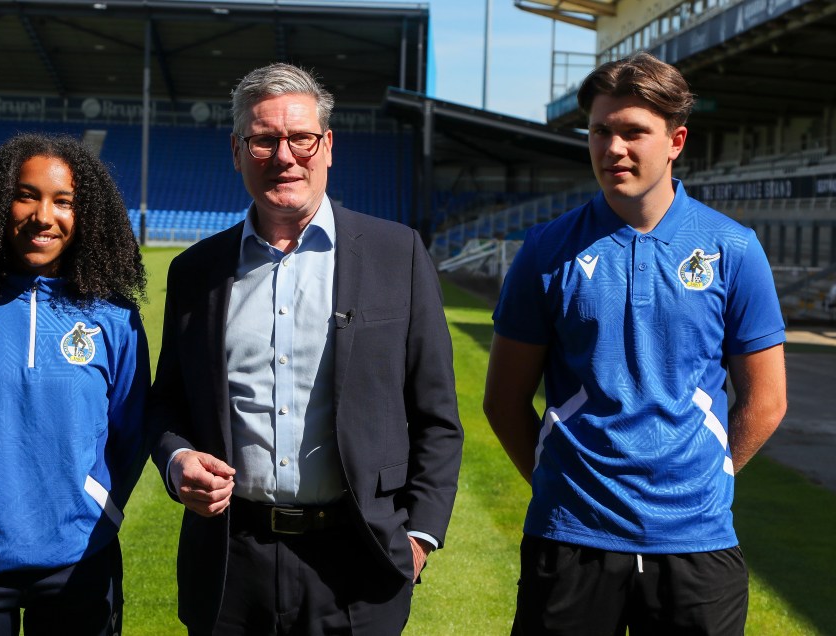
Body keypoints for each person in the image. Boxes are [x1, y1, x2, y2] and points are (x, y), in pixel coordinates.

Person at [149, 62, 463, 635]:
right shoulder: (196, 272)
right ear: (237, 150)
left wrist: (419, 535)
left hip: (357, 558)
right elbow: (166, 402)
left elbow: (437, 414)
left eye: (301, 138)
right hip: (230, 560)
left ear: (328, 146)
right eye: (264, 139)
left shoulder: (398, 254)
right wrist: (176, 460)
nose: (284, 155)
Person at [484, 52, 787, 635]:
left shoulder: (733, 248)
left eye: (633, 132)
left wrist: (709, 476)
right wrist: (563, 483)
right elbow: (503, 399)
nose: (612, 148)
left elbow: (767, 400)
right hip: (570, 536)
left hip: (696, 541)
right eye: (600, 131)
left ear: (675, 140)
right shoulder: (546, 250)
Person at [0, 133, 151, 635]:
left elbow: (131, 434)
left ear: (87, 217)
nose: (44, 216)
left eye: (64, 202)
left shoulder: (115, 319)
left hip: (80, 553)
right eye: (27, 195)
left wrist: (96, 504)